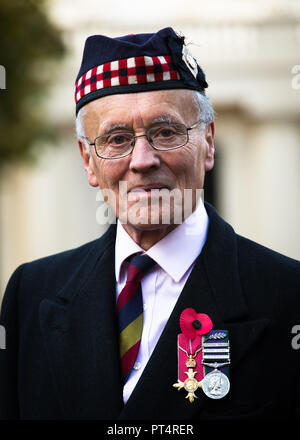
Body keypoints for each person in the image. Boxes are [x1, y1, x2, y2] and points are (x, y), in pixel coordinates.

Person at [0, 27, 299, 421]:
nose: (142, 160)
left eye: (166, 132)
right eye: (117, 139)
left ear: (208, 142)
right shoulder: (32, 293)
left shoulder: (288, 295)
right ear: (87, 160)